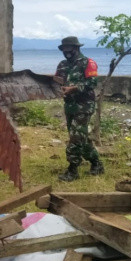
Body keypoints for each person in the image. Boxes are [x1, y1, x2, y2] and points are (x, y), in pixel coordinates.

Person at [54, 36, 104, 182]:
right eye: (64, 50)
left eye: (69, 50)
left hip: (84, 105)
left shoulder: (88, 63)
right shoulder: (62, 64)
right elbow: (58, 80)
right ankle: (96, 164)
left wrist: (74, 88)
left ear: (76, 48)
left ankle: (73, 170)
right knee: (80, 137)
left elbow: (93, 82)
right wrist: (58, 87)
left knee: (76, 138)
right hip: (69, 105)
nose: (66, 53)